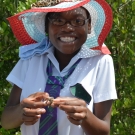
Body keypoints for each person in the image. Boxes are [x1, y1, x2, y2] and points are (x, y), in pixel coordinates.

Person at [1, 0, 117, 135]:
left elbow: (104, 131)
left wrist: (85, 116)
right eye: (58, 20)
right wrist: (21, 111)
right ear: (46, 26)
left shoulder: (101, 62)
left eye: (78, 21)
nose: (67, 28)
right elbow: (6, 121)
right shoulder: (31, 59)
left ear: (89, 26)